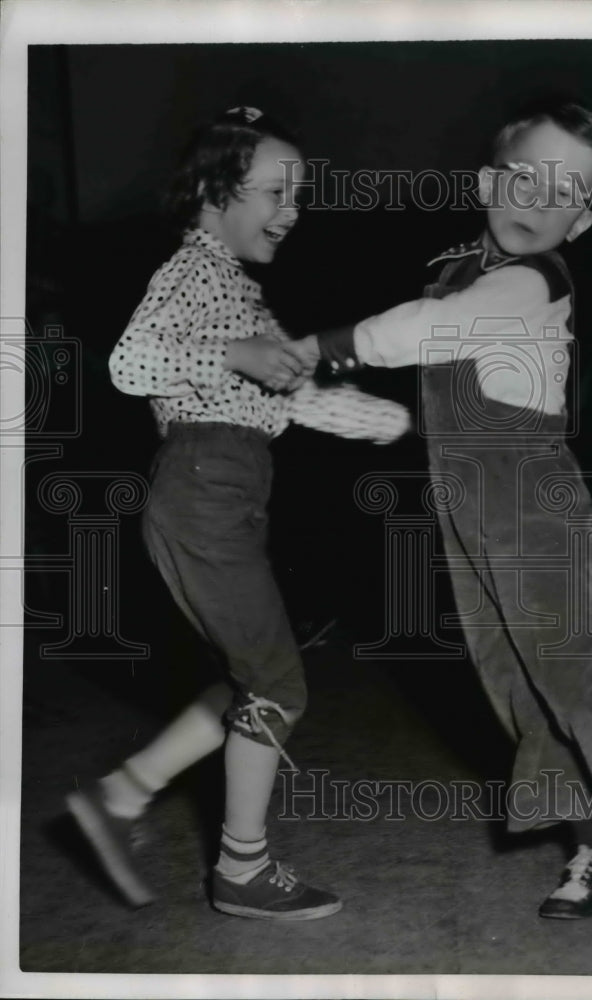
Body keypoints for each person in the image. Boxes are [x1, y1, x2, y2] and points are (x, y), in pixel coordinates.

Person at [291, 101, 592, 925]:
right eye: (525, 175)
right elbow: (434, 373)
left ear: (583, 221)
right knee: (520, 690)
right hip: (467, 504)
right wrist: (322, 399)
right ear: (489, 181)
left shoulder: (535, 279)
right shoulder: (464, 268)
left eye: (564, 191)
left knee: (569, 669)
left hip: (531, 499)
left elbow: (430, 331)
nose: (537, 198)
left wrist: (323, 347)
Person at [65, 106, 408, 920]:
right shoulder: (194, 272)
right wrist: (232, 353)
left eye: (301, 193)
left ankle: (121, 796)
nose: (293, 209)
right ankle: (241, 870)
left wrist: (406, 421)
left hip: (226, 491)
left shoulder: (241, 294)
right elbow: (128, 360)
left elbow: (302, 402)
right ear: (217, 191)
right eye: (276, 191)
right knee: (279, 688)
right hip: (202, 485)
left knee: (250, 684)